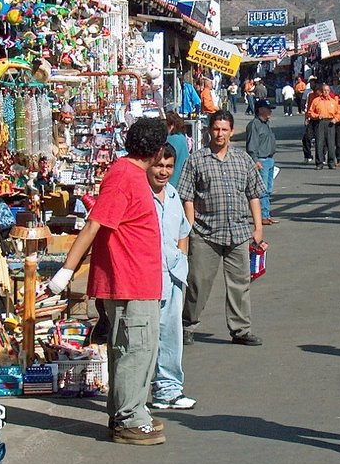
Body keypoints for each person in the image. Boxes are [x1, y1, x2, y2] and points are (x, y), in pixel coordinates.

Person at [47, 118, 169, 445]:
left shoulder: (128, 175)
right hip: (131, 280)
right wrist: (66, 271)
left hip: (134, 279)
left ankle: (125, 413)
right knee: (136, 350)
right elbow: (93, 225)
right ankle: (130, 418)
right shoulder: (125, 177)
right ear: (157, 151)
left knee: (129, 350)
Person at [180, 110, 266, 347]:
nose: (220, 134)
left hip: (238, 232)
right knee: (198, 282)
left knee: (240, 283)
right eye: (216, 129)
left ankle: (240, 330)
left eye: (224, 129)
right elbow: (186, 196)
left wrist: (258, 227)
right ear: (209, 130)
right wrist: (189, 226)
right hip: (205, 232)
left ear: (231, 131)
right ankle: (187, 325)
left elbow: (253, 195)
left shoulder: (243, 160)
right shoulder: (196, 160)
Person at [147, 144, 196, 411]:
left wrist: (182, 261)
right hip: (147, 277)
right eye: (159, 166)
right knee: (146, 339)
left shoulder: (174, 195)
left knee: (171, 335)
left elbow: (183, 232)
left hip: (173, 275)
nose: (163, 172)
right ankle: (142, 393)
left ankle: (169, 390)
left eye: (168, 167)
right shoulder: (141, 196)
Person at [246, 99, 278, 225]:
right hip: (261, 160)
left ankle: (267, 214)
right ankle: (262, 216)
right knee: (262, 190)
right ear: (260, 110)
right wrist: (255, 160)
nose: (270, 111)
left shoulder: (266, 124)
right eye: (268, 109)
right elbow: (252, 144)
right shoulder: (254, 125)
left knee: (268, 189)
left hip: (269, 159)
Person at [307, 83, 340, 169]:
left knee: (331, 143)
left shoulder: (333, 101)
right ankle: (319, 163)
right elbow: (310, 112)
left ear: (329, 91)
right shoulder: (316, 101)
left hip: (330, 123)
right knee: (319, 143)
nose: (326, 92)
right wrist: (317, 116)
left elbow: (338, 113)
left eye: (327, 90)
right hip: (320, 122)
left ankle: (331, 162)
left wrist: (335, 119)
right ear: (322, 91)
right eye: (324, 90)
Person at [164, 110, 191, 189]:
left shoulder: (170, 140)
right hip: (182, 181)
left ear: (171, 125)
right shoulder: (182, 138)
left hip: (172, 181)